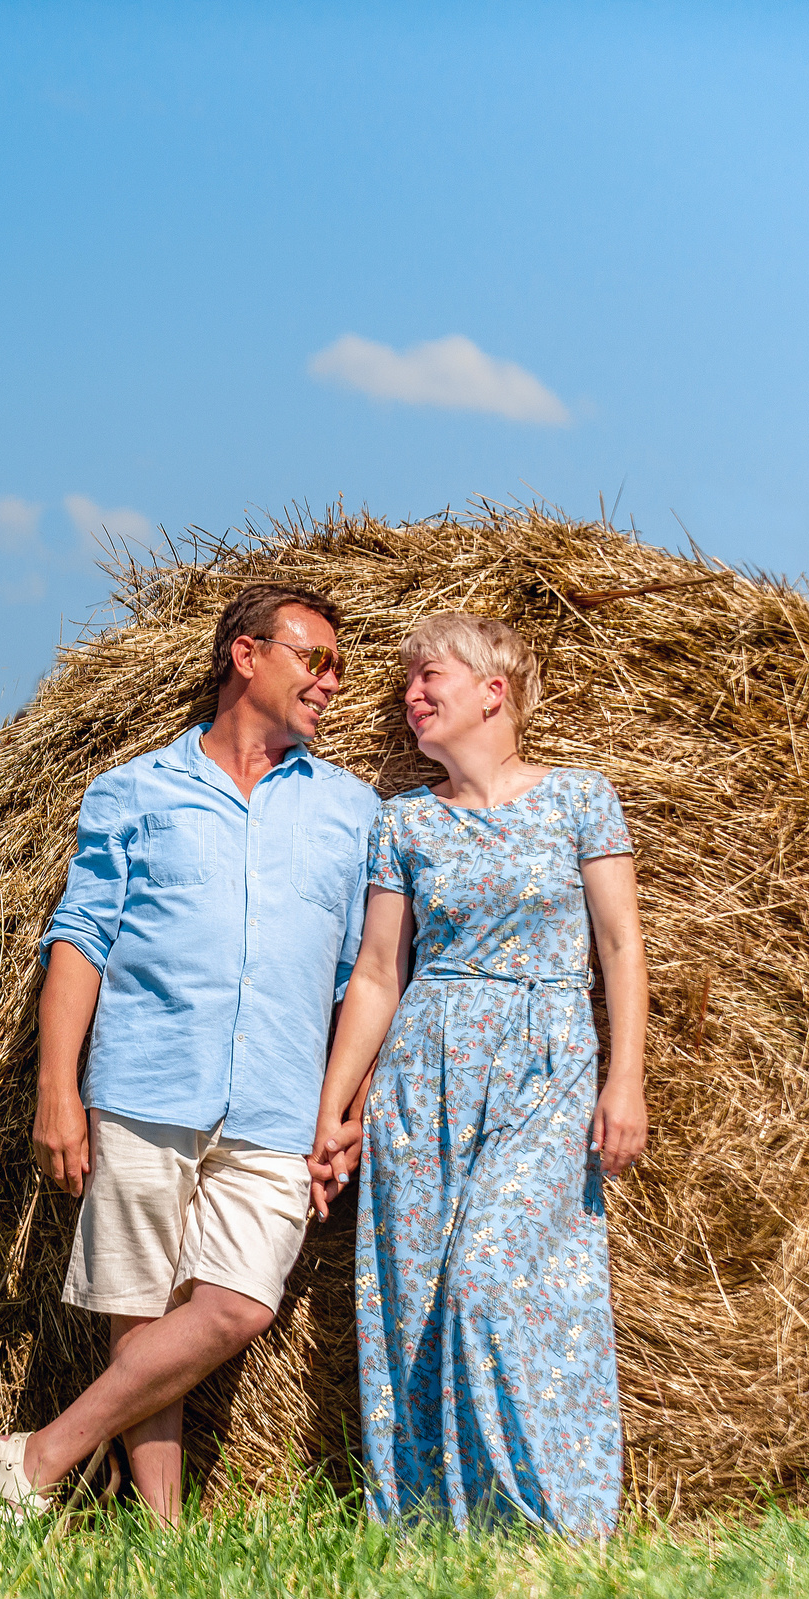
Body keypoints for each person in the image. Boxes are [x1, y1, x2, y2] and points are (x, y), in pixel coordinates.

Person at [0, 582, 379, 1526]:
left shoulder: (354, 810)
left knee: (241, 1303)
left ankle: (37, 1456)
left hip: (280, 1101)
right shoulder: (134, 791)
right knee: (141, 1311)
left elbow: (363, 977)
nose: (332, 681)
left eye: (339, 666)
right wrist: (57, 1089)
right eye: (315, 659)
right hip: (144, 1082)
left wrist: (346, 1108)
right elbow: (81, 940)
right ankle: (161, 1534)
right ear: (247, 655)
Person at [311, 611, 648, 1536]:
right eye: (407, 682)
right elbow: (378, 975)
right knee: (418, 1298)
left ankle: (558, 1518)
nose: (410, 694)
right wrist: (333, 1109)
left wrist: (626, 1078)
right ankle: (441, 1527)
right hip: (425, 1076)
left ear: (494, 691)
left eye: (431, 677)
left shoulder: (580, 798)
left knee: (486, 1282)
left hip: (545, 1070)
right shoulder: (404, 821)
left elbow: (620, 945)